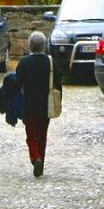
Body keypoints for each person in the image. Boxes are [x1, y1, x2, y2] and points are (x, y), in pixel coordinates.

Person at [16, 31, 61, 177]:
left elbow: (18, 83)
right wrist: (58, 101)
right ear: (43, 46)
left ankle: (36, 158)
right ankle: (41, 161)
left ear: (30, 45)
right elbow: (58, 84)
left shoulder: (24, 62)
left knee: (31, 135)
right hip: (45, 105)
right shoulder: (50, 62)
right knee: (42, 135)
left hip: (29, 105)